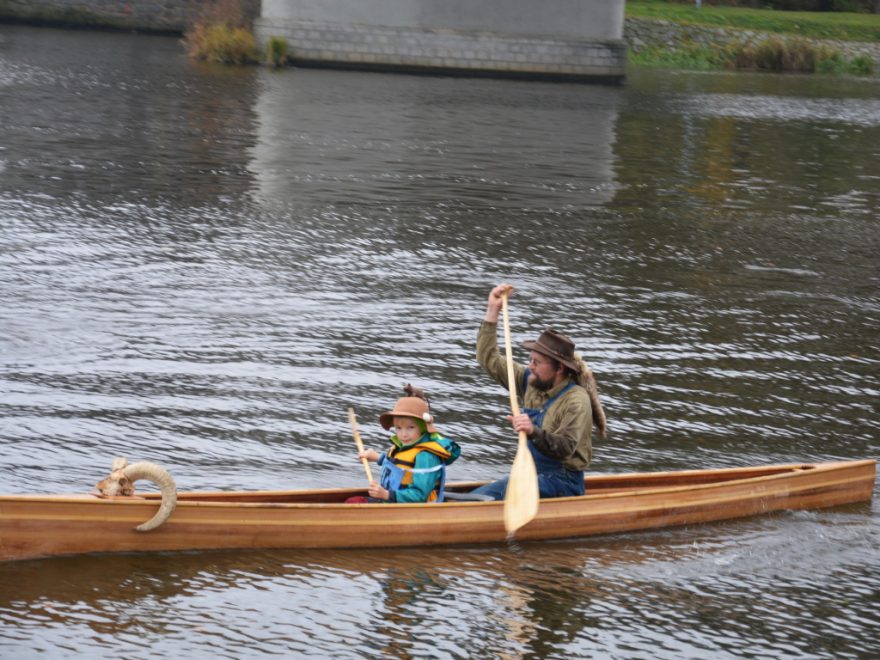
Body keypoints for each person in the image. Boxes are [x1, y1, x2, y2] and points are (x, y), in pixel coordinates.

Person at [471, 283, 607, 501]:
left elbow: (565, 448)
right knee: (479, 495)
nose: (531, 366)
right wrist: (492, 311)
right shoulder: (530, 381)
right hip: (532, 474)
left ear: (559, 368)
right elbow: (489, 359)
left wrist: (532, 431)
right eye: (530, 360)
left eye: (537, 362)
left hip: (564, 481)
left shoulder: (576, 401)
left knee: (496, 493)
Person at [349, 385, 461, 503]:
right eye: (399, 428)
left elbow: (419, 495)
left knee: (354, 502)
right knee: (354, 500)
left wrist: (386, 494)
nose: (404, 434)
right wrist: (377, 457)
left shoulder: (426, 456)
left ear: (423, 427)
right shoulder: (405, 445)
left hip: (415, 509)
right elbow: (400, 466)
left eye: (410, 427)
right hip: (393, 501)